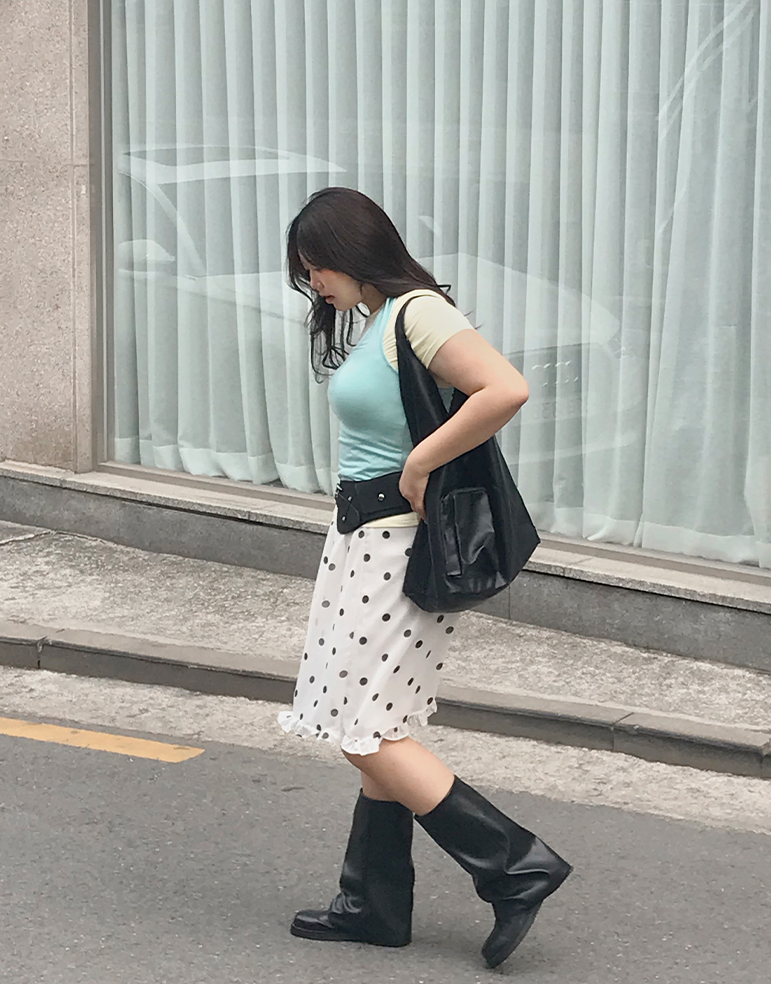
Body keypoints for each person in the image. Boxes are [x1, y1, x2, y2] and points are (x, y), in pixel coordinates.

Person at [278, 187, 571, 969]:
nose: (314, 285)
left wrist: (421, 460)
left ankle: (515, 865)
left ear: (351, 253)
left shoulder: (417, 312)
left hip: (398, 545)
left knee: (365, 730)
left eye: (317, 267)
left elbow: (504, 387)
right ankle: (373, 903)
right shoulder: (381, 319)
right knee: (372, 722)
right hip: (360, 539)